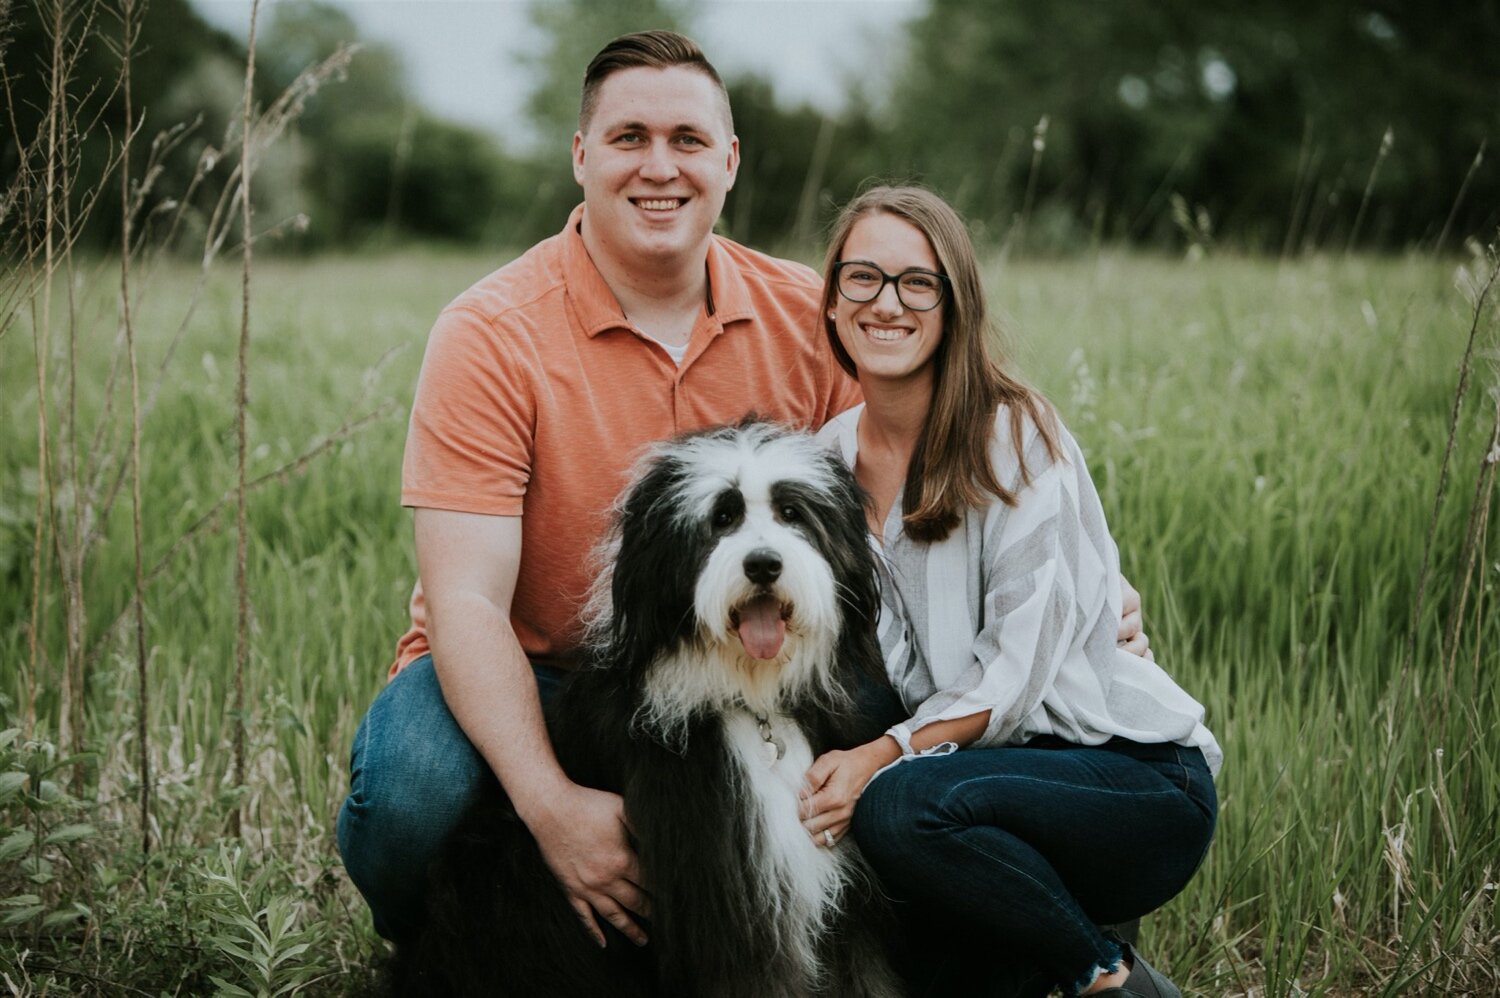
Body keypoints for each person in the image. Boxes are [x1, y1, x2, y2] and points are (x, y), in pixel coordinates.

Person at [336, 31, 1153, 952]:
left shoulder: (810, 314)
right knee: (414, 792)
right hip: (535, 664)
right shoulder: (489, 333)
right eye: (628, 137)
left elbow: (918, 471)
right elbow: (466, 602)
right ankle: (449, 951)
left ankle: (1008, 944)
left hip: (750, 656)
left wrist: (1082, 583)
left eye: (687, 140)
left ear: (728, 161)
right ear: (580, 155)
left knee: (954, 744)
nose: (659, 167)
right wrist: (553, 806)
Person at [799, 186, 1220, 998]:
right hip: (970, 793)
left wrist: (877, 758)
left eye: (917, 283)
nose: (887, 303)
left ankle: (1109, 979)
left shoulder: (1013, 434)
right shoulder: (822, 463)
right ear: (832, 298)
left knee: (895, 811)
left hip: (1127, 779)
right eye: (863, 278)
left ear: (955, 304)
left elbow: (1017, 672)